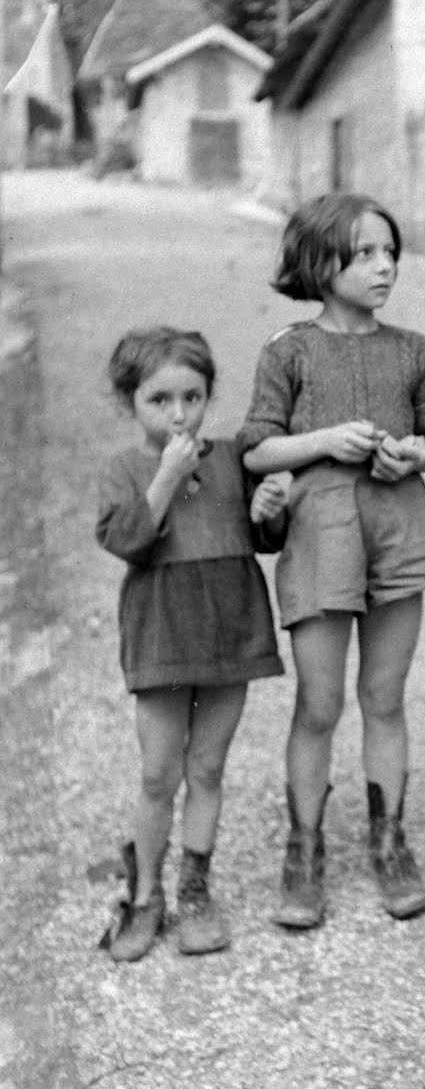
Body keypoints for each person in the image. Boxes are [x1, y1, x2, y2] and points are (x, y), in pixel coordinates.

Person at [239, 193, 425, 930]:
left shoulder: (413, 350)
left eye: (389, 252)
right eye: (364, 253)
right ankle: (304, 851)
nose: (383, 266)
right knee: (320, 702)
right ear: (318, 262)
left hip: (401, 530)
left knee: (386, 697)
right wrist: (328, 441)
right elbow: (259, 447)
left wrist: (410, 456)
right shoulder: (288, 350)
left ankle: (390, 842)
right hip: (320, 535)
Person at [96, 327, 287, 962]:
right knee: (159, 773)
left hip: (230, 626)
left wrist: (270, 509)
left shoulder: (232, 457)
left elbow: (264, 540)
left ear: (209, 397)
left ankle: (196, 890)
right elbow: (126, 540)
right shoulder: (124, 469)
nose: (179, 414)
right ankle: (146, 893)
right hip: (161, 633)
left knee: (206, 767)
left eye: (192, 397)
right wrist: (165, 478)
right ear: (132, 404)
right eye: (160, 400)